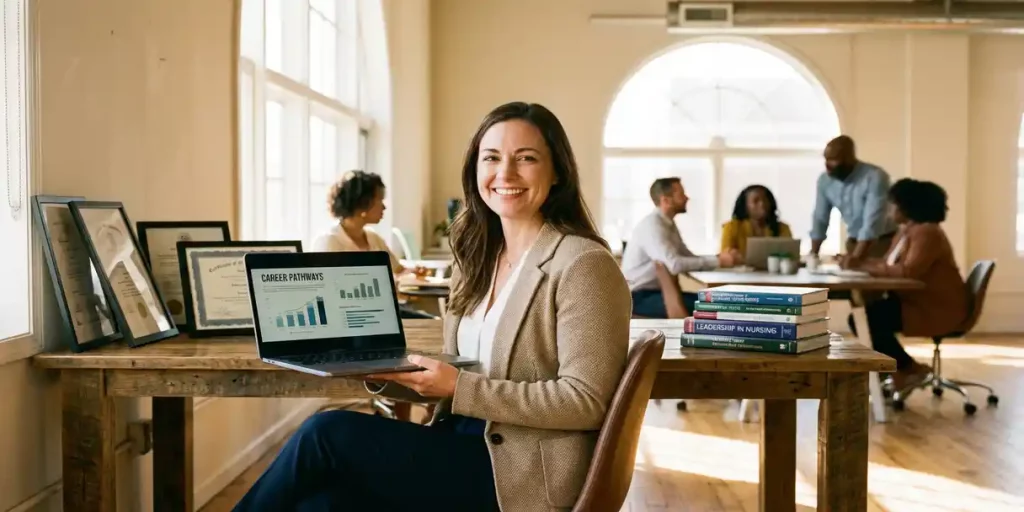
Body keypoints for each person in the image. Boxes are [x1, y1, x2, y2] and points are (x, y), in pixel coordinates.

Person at [232, 102, 631, 511]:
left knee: (324, 432)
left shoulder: (583, 265)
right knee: (321, 505)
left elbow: (586, 401)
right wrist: (395, 374)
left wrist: (458, 387)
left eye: (526, 158)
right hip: (458, 440)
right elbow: (468, 373)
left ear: (557, 171)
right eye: (491, 158)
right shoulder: (476, 256)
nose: (505, 173)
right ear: (475, 169)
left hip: (522, 472)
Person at [847, 178, 967, 391]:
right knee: (866, 316)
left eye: (892, 203)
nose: (888, 208)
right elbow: (889, 264)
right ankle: (901, 372)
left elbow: (908, 271)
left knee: (867, 318)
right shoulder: (906, 231)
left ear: (907, 205)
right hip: (917, 303)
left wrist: (863, 267)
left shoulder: (927, 232)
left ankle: (908, 370)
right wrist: (859, 263)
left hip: (935, 308)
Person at [312, 170, 433, 319]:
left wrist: (414, 271)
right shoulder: (329, 241)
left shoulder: (373, 238)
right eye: (380, 200)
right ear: (363, 203)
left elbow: (398, 270)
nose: (384, 207)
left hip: (382, 312)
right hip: (349, 317)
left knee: (434, 322)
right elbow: (327, 291)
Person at [621, 177, 742, 318]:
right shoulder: (653, 226)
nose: (686, 198)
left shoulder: (667, 224)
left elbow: (687, 256)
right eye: (681, 194)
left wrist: (719, 258)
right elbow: (675, 264)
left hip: (654, 294)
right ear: (665, 200)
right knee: (718, 306)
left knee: (717, 302)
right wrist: (719, 262)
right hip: (639, 298)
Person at [809, 135, 898, 268]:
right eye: (826, 159)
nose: (828, 165)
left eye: (833, 160)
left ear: (849, 158)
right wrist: (813, 256)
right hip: (853, 242)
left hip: (882, 242)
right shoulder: (825, 181)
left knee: (874, 285)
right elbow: (820, 218)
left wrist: (855, 258)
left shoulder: (874, 177)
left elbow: (873, 222)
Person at [721, 184, 793, 255]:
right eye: (756, 201)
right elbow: (725, 256)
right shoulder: (732, 227)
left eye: (765, 200)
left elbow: (791, 256)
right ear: (745, 206)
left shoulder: (783, 228)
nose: (762, 204)